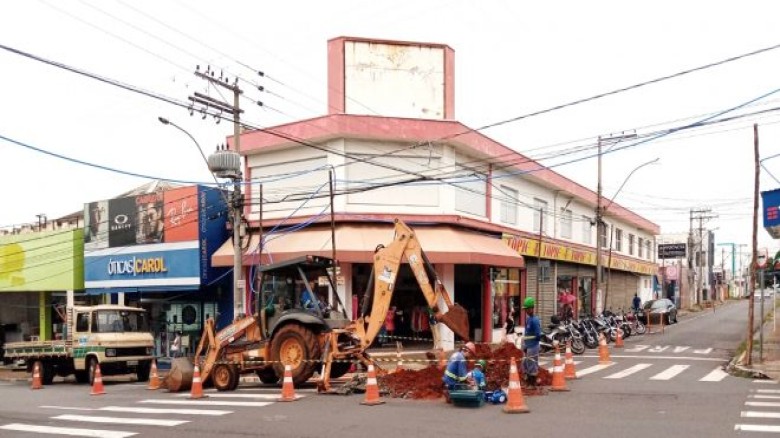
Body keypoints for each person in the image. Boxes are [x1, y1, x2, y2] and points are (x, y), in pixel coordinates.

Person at [521, 297, 541, 389]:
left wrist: (531, 339)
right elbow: (527, 332)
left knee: (532, 364)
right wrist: (525, 345)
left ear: (532, 308)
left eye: (527, 309)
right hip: (528, 345)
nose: (526, 311)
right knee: (526, 363)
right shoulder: (528, 319)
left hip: (533, 346)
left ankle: (532, 384)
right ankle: (529, 382)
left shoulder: (535, 320)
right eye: (525, 309)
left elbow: (538, 335)